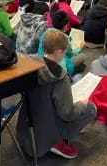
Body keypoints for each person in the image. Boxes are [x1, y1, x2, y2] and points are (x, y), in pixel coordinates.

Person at [16, 29, 96, 160]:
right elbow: (67, 114)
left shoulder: (30, 63)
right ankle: (56, 141)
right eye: (65, 52)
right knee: (90, 108)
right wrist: (81, 105)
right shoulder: (60, 77)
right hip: (49, 131)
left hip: (27, 130)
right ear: (59, 52)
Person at [39, 11, 84, 79]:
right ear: (66, 26)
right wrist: (79, 48)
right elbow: (69, 54)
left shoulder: (45, 32)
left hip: (43, 60)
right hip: (60, 67)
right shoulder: (64, 38)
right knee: (82, 57)